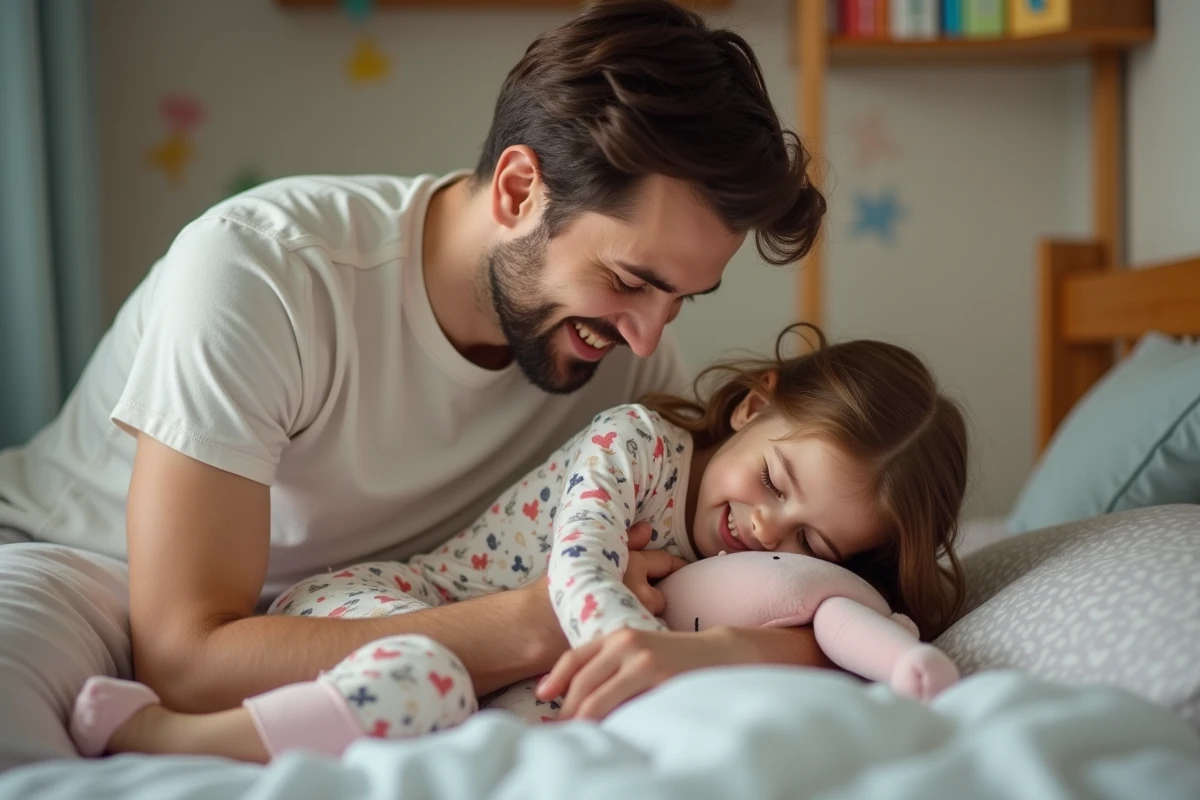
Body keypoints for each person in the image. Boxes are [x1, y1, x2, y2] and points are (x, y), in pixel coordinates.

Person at [0, 0, 828, 770]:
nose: (650, 333)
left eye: (682, 297)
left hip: (372, 623)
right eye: (629, 279)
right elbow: (183, 663)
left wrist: (712, 649)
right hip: (78, 566)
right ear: (516, 190)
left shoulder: (627, 363)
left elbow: (771, 593)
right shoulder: (268, 272)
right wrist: (530, 625)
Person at [69, 324, 969, 763]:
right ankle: (166, 735)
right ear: (752, 405)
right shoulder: (638, 443)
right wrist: (635, 644)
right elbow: (579, 559)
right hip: (388, 601)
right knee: (429, 681)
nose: (767, 531)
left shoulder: (742, 559)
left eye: (811, 537)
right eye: (774, 484)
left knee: (459, 708)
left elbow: (812, 620)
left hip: (488, 656)